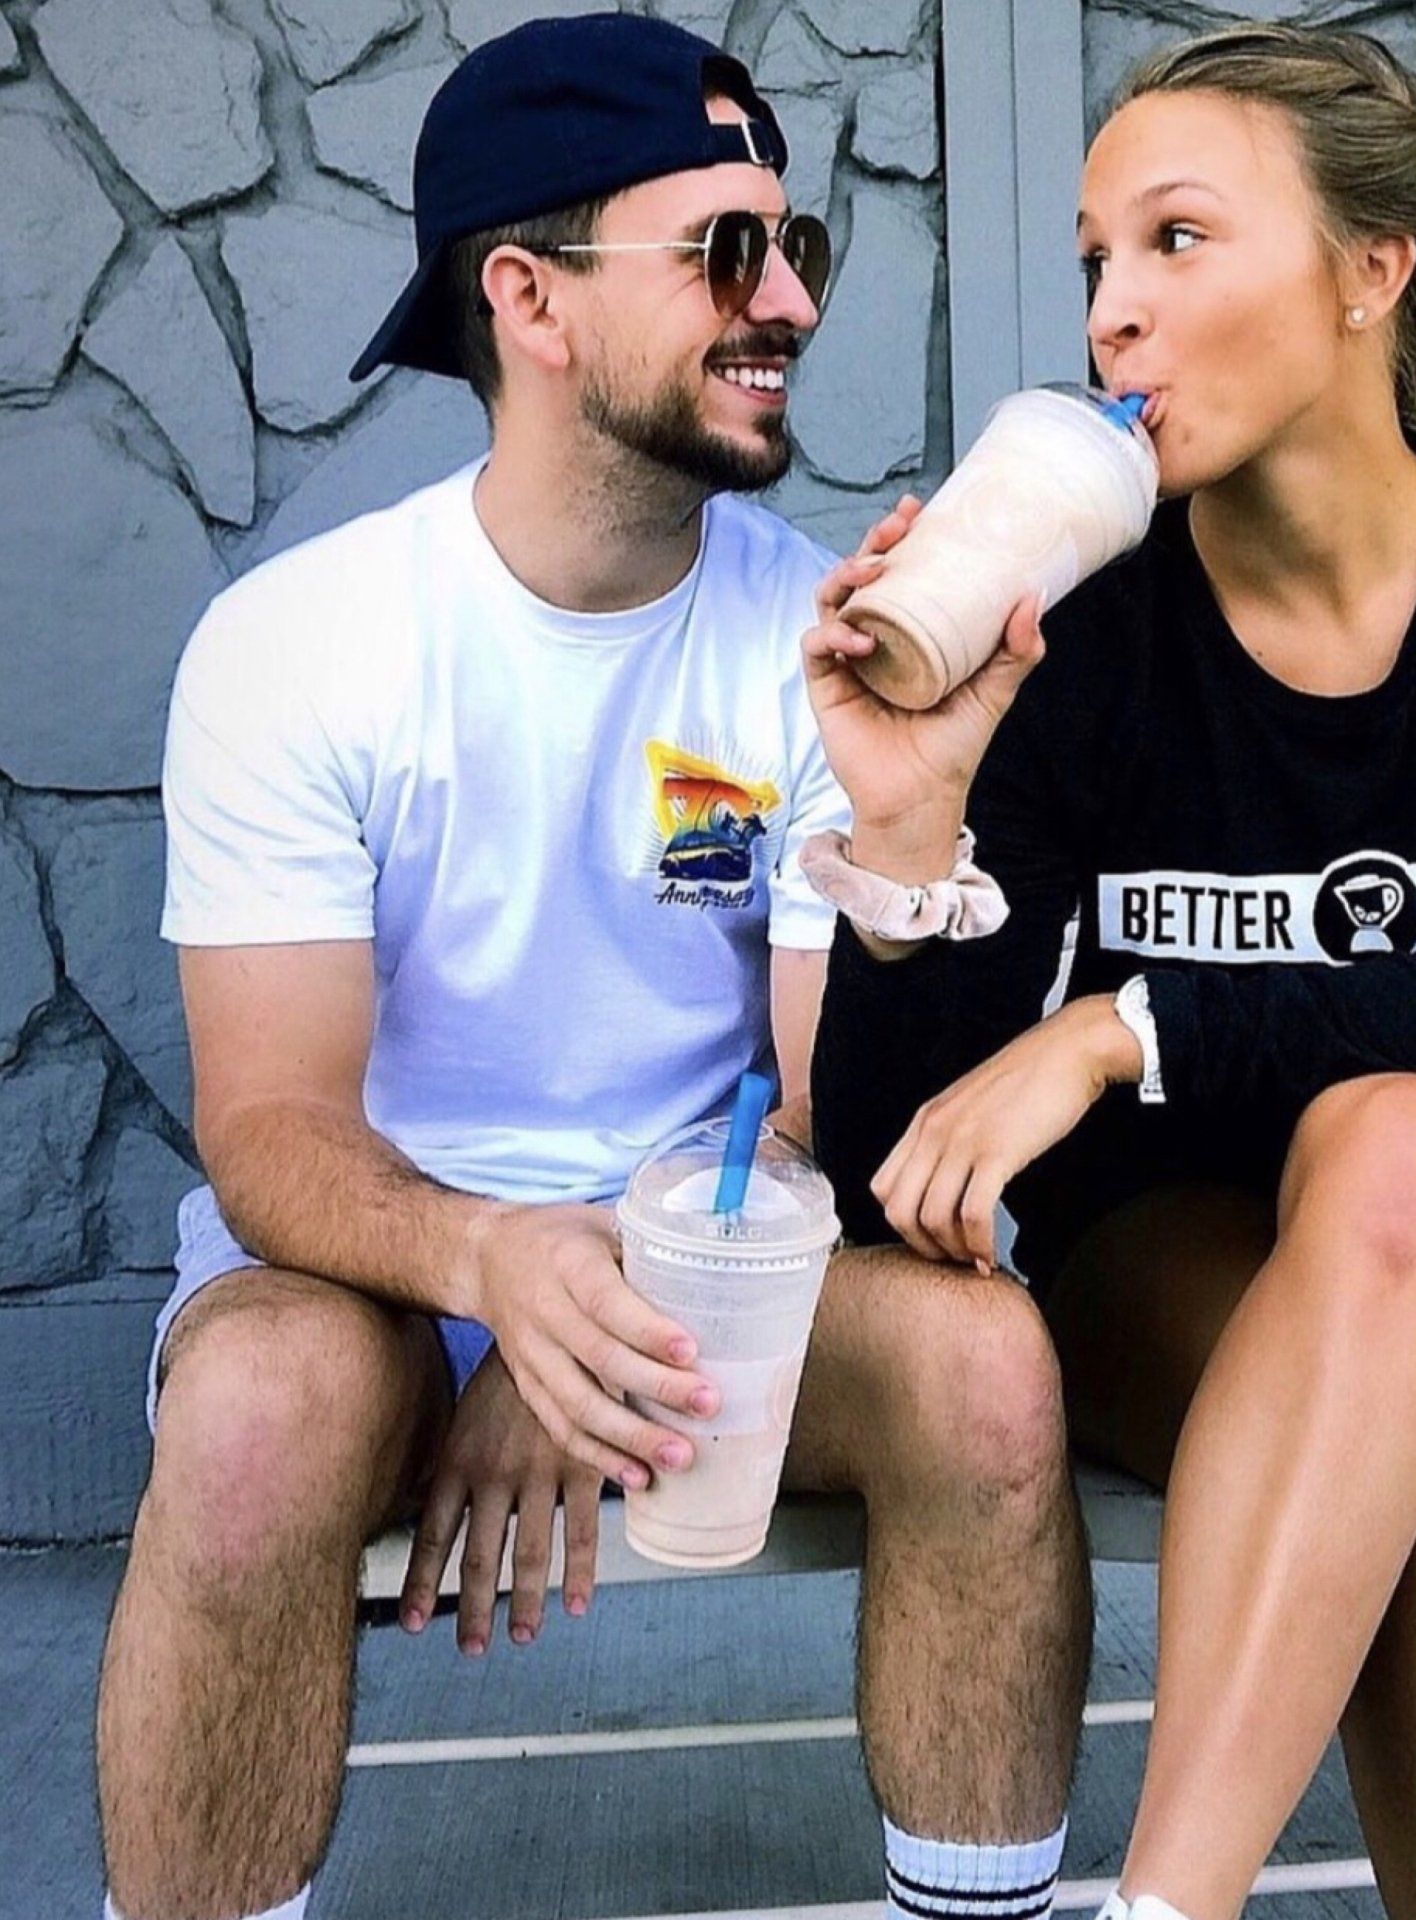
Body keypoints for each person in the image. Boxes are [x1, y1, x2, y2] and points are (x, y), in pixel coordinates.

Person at [95, 19, 1089, 1920]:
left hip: (725, 1257)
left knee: (983, 1368)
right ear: (528, 298)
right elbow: (273, 1126)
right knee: (250, 1416)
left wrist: (613, 1314)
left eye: (798, 246)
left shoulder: (822, 647)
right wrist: (496, 1272)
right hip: (381, 1270)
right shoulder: (300, 644)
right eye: (726, 251)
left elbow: (826, 1107)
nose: (790, 300)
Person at [805, 22, 1416, 1920]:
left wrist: (1120, 1028)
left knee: (1394, 1138)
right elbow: (900, 1160)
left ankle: (1165, 1905)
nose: (1112, 313)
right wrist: (909, 835)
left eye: (1179, 238)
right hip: (1177, 1248)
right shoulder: (1079, 626)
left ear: (1373, 271)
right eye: (1097, 261)